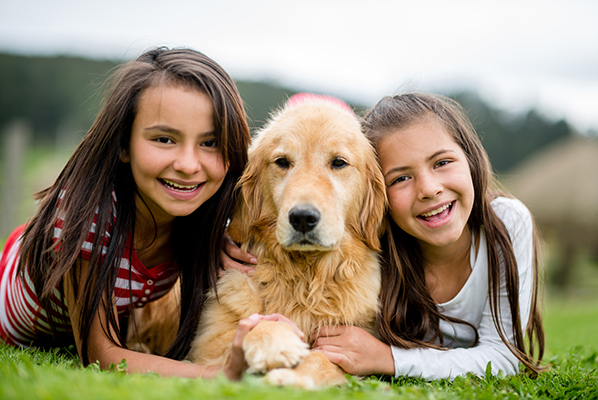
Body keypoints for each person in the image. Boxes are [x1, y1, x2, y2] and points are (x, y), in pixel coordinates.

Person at [0, 47, 302, 380]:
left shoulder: (205, 213)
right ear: (123, 145)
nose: (188, 165)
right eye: (163, 139)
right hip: (14, 293)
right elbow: (102, 356)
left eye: (210, 143)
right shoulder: (84, 217)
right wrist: (221, 373)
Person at [223, 92, 545, 380]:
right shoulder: (390, 229)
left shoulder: (506, 222)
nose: (430, 189)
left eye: (443, 162)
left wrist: (388, 359)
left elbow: (504, 357)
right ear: (382, 196)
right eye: (401, 177)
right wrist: (220, 239)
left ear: (471, 158)